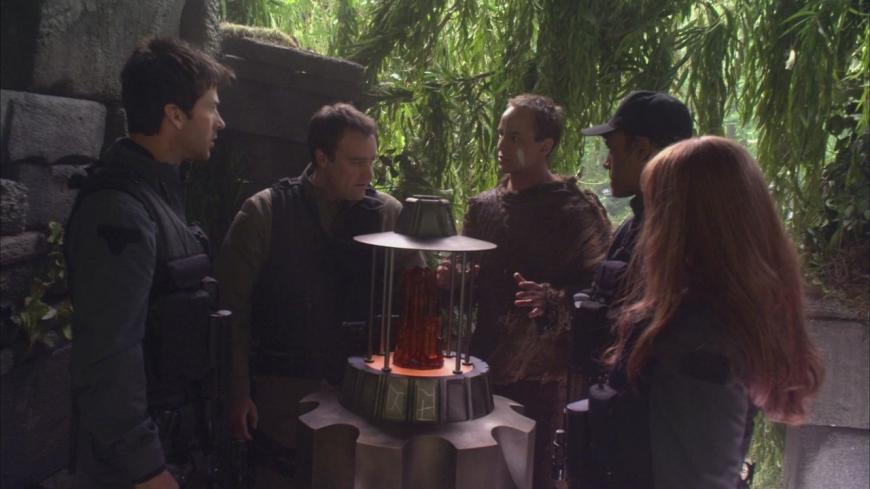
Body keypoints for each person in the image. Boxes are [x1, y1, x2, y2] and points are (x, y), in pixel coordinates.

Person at [585, 136, 824, 488]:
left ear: (680, 223)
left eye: (655, 209)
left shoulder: (698, 338)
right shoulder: (714, 317)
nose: (646, 228)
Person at [216, 103, 419, 486]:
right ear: (322, 158)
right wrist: (237, 393)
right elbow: (232, 310)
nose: (368, 174)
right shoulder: (265, 212)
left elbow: (416, 304)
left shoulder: (388, 216)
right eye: (356, 162)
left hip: (364, 402)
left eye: (372, 161)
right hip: (282, 400)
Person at [65, 37, 233, 489]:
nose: (220, 122)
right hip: (133, 470)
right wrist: (145, 468)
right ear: (175, 114)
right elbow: (109, 353)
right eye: (211, 108)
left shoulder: (160, 192)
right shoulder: (119, 210)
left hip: (175, 446)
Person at [452, 93, 611, 489]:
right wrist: (451, 284)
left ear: (545, 146)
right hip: (481, 367)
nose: (502, 145)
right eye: (501, 134)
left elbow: (604, 293)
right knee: (475, 473)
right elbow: (467, 293)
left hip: (544, 378)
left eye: (515, 138)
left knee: (530, 474)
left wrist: (553, 300)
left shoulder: (576, 211)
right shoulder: (483, 207)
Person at [573, 90, 693, 379]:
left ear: (641, 149)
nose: (606, 162)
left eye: (612, 149)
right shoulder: (635, 225)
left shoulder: (682, 236)